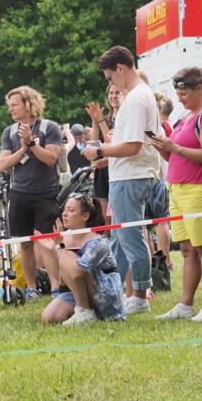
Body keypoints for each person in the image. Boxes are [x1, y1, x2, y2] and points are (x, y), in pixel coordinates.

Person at [81, 46, 162, 315]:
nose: (110, 84)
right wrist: (107, 159)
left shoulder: (137, 98)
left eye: (109, 77)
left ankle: (139, 295)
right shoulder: (137, 96)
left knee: (130, 237)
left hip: (132, 176)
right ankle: (116, 292)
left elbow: (133, 146)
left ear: (120, 68)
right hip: (127, 174)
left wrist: (101, 151)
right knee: (120, 238)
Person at [148, 67, 202, 322]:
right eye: (178, 93)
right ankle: (185, 304)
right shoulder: (185, 116)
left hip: (198, 188)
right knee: (186, 248)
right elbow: (175, 154)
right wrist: (164, 149)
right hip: (177, 188)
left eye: (185, 93)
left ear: (199, 89)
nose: (180, 98)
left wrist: (175, 148)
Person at [0, 86, 63, 302]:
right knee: (24, 242)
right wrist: (23, 149)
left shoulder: (49, 127)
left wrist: (32, 143)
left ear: (28, 104)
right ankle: (32, 287)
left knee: (46, 241)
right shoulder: (9, 132)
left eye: (14, 105)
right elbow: (4, 164)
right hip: (19, 193)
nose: (11, 109)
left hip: (45, 192)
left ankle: (55, 287)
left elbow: (51, 159)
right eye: (10, 106)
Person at [41, 194, 124, 325]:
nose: (65, 214)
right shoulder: (63, 238)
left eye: (71, 210)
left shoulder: (98, 242)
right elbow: (62, 274)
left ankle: (85, 311)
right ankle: (82, 311)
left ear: (85, 216)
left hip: (104, 295)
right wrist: (49, 252)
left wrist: (59, 247)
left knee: (74, 260)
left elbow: (76, 272)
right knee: (48, 318)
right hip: (74, 292)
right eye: (65, 209)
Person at [86, 83, 122, 222]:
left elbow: (112, 142)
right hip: (103, 172)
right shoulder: (105, 118)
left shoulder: (123, 118)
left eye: (116, 92)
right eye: (111, 93)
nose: (113, 96)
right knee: (106, 219)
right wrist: (94, 121)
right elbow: (93, 145)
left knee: (120, 220)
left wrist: (100, 120)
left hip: (118, 170)